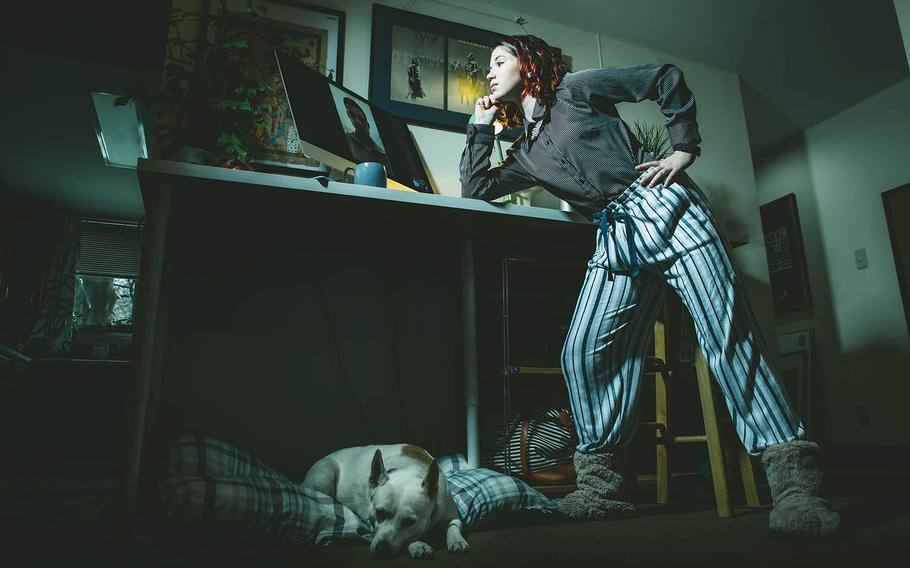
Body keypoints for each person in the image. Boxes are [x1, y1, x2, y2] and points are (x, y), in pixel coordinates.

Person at [460, 35, 840, 537]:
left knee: (728, 341)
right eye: (488, 64)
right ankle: (600, 487)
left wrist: (683, 147)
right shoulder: (525, 151)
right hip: (615, 234)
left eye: (500, 59)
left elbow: (662, 77)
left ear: (529, 63)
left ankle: (795, 486)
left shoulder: (574, 89)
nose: (490, 70)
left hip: (663, 206)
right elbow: (476, 187)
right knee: (583, 351)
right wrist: (479, 126)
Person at [342, 97, 389, 166]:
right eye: (352, 115)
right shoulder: (346, 139)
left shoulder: (383, 155)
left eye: (361, 119)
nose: (357, 121)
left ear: (368, 125)